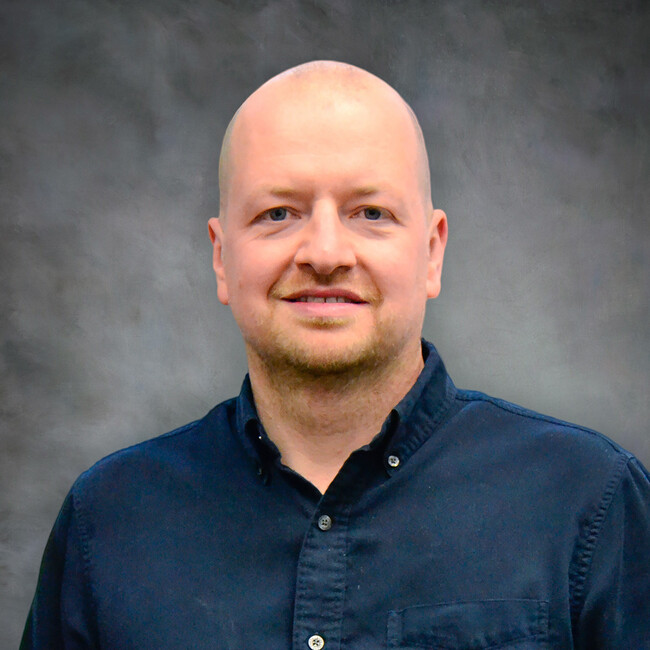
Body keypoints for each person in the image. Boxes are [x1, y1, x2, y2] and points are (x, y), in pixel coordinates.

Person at [22, 61, 650, 649]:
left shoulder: (589, 501)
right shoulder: (109, 519)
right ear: (221, 256)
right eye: (278, 213)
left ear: (431, 252)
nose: (325, 252)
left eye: (370, 212)